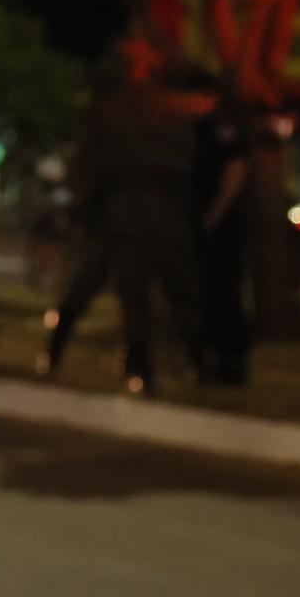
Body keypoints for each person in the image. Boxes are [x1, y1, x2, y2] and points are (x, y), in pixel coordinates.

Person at [40, 46, 196, 393]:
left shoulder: (157, 109)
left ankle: (153, 367)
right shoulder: (116, 109)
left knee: (153, 291)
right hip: (117, 215)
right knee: (100, 289)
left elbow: (176, 161)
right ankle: (62, 354)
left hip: (143, 214)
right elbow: (90, 163)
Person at [190, 78, 260, 389]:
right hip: (204, 221)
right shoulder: (200, 127)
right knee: (208, 292)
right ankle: (214, 356)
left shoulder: (227, 128)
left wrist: (213, 216)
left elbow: (235, 172)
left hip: (223, 225)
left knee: (225, 292)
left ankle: (232, 359)